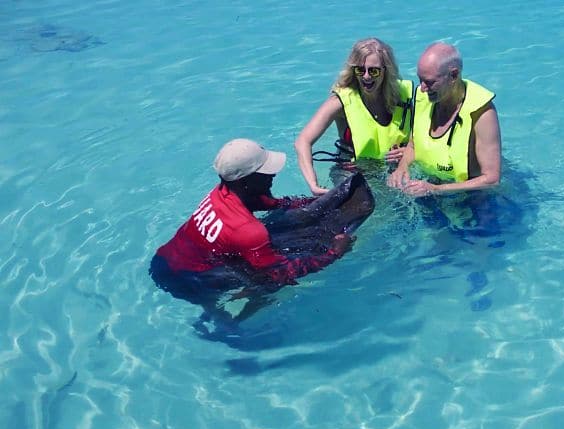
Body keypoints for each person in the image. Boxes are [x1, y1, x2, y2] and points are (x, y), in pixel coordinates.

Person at [150, 138, 354, 303]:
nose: (273, 174)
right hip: (187, 280)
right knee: (269, 284)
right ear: (244, 181)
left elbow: (266, 202)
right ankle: (225, 323)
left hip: (165, 259)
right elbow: (281, 273)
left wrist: (314, 201)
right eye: (264, 172)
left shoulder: (221, 192)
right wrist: (335, 252)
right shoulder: (248, 231)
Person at [295, 37, 414, 195]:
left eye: (373, 71)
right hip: (352, 172)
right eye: (360, 70)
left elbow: (427, 134)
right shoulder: (341, 101)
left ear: (386, 71)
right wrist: (313, 184)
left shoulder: (405, 96)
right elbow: (303, 141)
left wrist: (410, 150)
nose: (366, 76)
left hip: (393, 169)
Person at [387, 42, 501, 196]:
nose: (422, 88)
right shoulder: (424, 97)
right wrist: (402, 169)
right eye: (420, 80)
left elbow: (491, 179)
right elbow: (414, 146)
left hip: (472, 194)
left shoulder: (482, 112)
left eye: (429, 82)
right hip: (432, 183)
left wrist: (436, 189)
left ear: (453, 75)